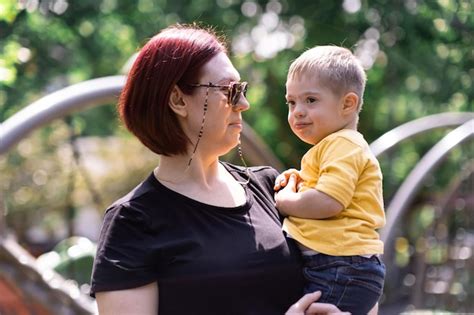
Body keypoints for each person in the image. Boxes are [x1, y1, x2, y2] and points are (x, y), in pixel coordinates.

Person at [89, 24, 350, 315]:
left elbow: (351, 267)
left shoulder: (273, 188)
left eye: (243, 90)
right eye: (230, 90)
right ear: (178, 100)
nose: (244, 104)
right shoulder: (133, 221)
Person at [274, 45, 386, 314]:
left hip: (342, 266)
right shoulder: (333, 147)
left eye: (310, 100)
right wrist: (299, 180)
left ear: (348, 103)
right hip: (338, 264)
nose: (298, 111)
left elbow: (328, 202)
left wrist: (286, 201)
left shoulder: (343, 145)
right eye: (292, 102)